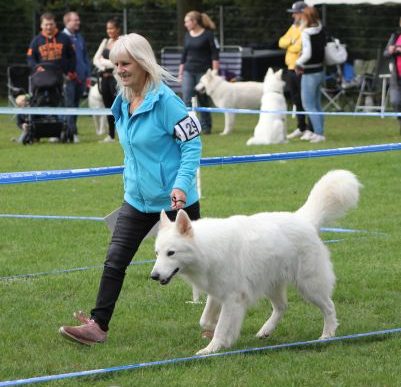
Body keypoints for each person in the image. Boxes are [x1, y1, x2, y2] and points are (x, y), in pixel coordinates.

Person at [59, 32, 202, 345]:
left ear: (143, 63)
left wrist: (180, 185)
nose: (119, 70)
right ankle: (98, 326)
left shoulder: (168, 103)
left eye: (125, 63)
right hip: (136, 200)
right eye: (115, 65)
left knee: (205, 264)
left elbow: (192, 146)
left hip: (176, 202)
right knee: (115, 261)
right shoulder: (121, 101)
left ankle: (216, 320)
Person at [178, 11, 219, 135]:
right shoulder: (187, 36)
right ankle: (188, 128)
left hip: (204, 72)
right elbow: (184, 55)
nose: (185, 24)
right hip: (188, 71)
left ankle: (206, 126)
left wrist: (215, 71)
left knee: (203, 99)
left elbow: (215, 54)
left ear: (194, 22)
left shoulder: (208, 35)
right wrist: (180, 73)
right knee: (186, 98)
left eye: (187, 21)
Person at [279, 1, 314, 141]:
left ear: (303, 13)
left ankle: (311, 129)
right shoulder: (294, 27)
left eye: (296, 13)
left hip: (302, 69)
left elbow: (299, 47)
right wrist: (291, 43)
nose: (293, 15)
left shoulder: (307, 28)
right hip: (291, 68)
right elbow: (282, 42)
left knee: (307, 100)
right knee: (296, 100)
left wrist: (291, 45)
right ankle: (301, 127)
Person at [295, 6, 326, 143]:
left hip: (310, 72)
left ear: (306, 18)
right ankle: (318, 131)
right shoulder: (321, 28)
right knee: (317, 104)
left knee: (308, 104)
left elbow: (307, 54)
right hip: (320, 70)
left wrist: (298, 63)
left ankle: (318, 133)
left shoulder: (306, 32)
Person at [63, 11, 91, 143]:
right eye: (75, 20)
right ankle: (70, 133)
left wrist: (87, 75)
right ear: (67, 22)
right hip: (68, 79)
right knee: (69, 105)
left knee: (75, 105)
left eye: (78, 20)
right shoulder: (62, 38)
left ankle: (72, 130)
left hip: (81, 78)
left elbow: (85, 57)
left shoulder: (79, 37)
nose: (78, 22)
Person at [93, 17, 122, 143]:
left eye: (112, 28)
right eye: (108, 28)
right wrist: (104, 64)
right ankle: (111, 135)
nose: (109, 31)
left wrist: (104, 62)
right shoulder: (105, 42)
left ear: (118, 29)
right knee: (108, 106)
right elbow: (95, 59)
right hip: (104, 79)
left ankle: (122, 133)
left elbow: (119, 62)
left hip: (115, 79)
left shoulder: (122, 42)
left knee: (119, 106)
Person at [27, 12, 76, 78]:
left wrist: (71, 71)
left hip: (62, 77)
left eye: (51, 24)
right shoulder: (36, 41)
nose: (49, 27)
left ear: (55, 24)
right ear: (41, 25)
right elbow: (30, 58)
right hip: (42, 77)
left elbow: (72, 56)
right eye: (46, 25)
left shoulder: (65, 38)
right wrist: (36, 68)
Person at [383, 17, 401, 135]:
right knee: (395, 101)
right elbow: (385, 53)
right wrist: (391, 50)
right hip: (396, 75)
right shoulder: (395, 36)